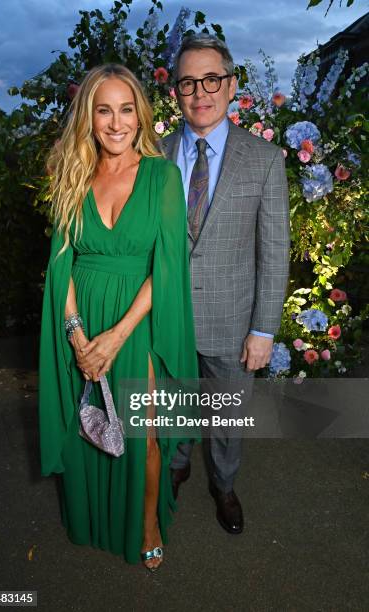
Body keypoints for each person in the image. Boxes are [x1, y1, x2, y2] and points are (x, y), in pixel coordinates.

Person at [38, 63, 198, 571]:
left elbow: (166, 265)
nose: (116, 123)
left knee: (142, 432)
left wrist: (116, 337)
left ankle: (147, 521)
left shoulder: (162, 176)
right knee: (85, 422)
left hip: (138, 320)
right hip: (80, 317)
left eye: (126, 109)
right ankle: (91, 515)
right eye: (103, 110)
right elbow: (61, 263)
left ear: (141, 115)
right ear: (89, 116)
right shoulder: (71, 174)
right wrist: (78, 335)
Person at [161, 34, 290, 534]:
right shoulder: (152, 155)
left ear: (231, 84)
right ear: (175, 91)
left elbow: (274, 250)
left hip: (233, 323)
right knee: (171, 405)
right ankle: (175, 465)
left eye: (211, 79)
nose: (201, 92)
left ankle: (224, 484)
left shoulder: (263, 159)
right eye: (188, 81)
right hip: (166, 317)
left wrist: (264, 329)